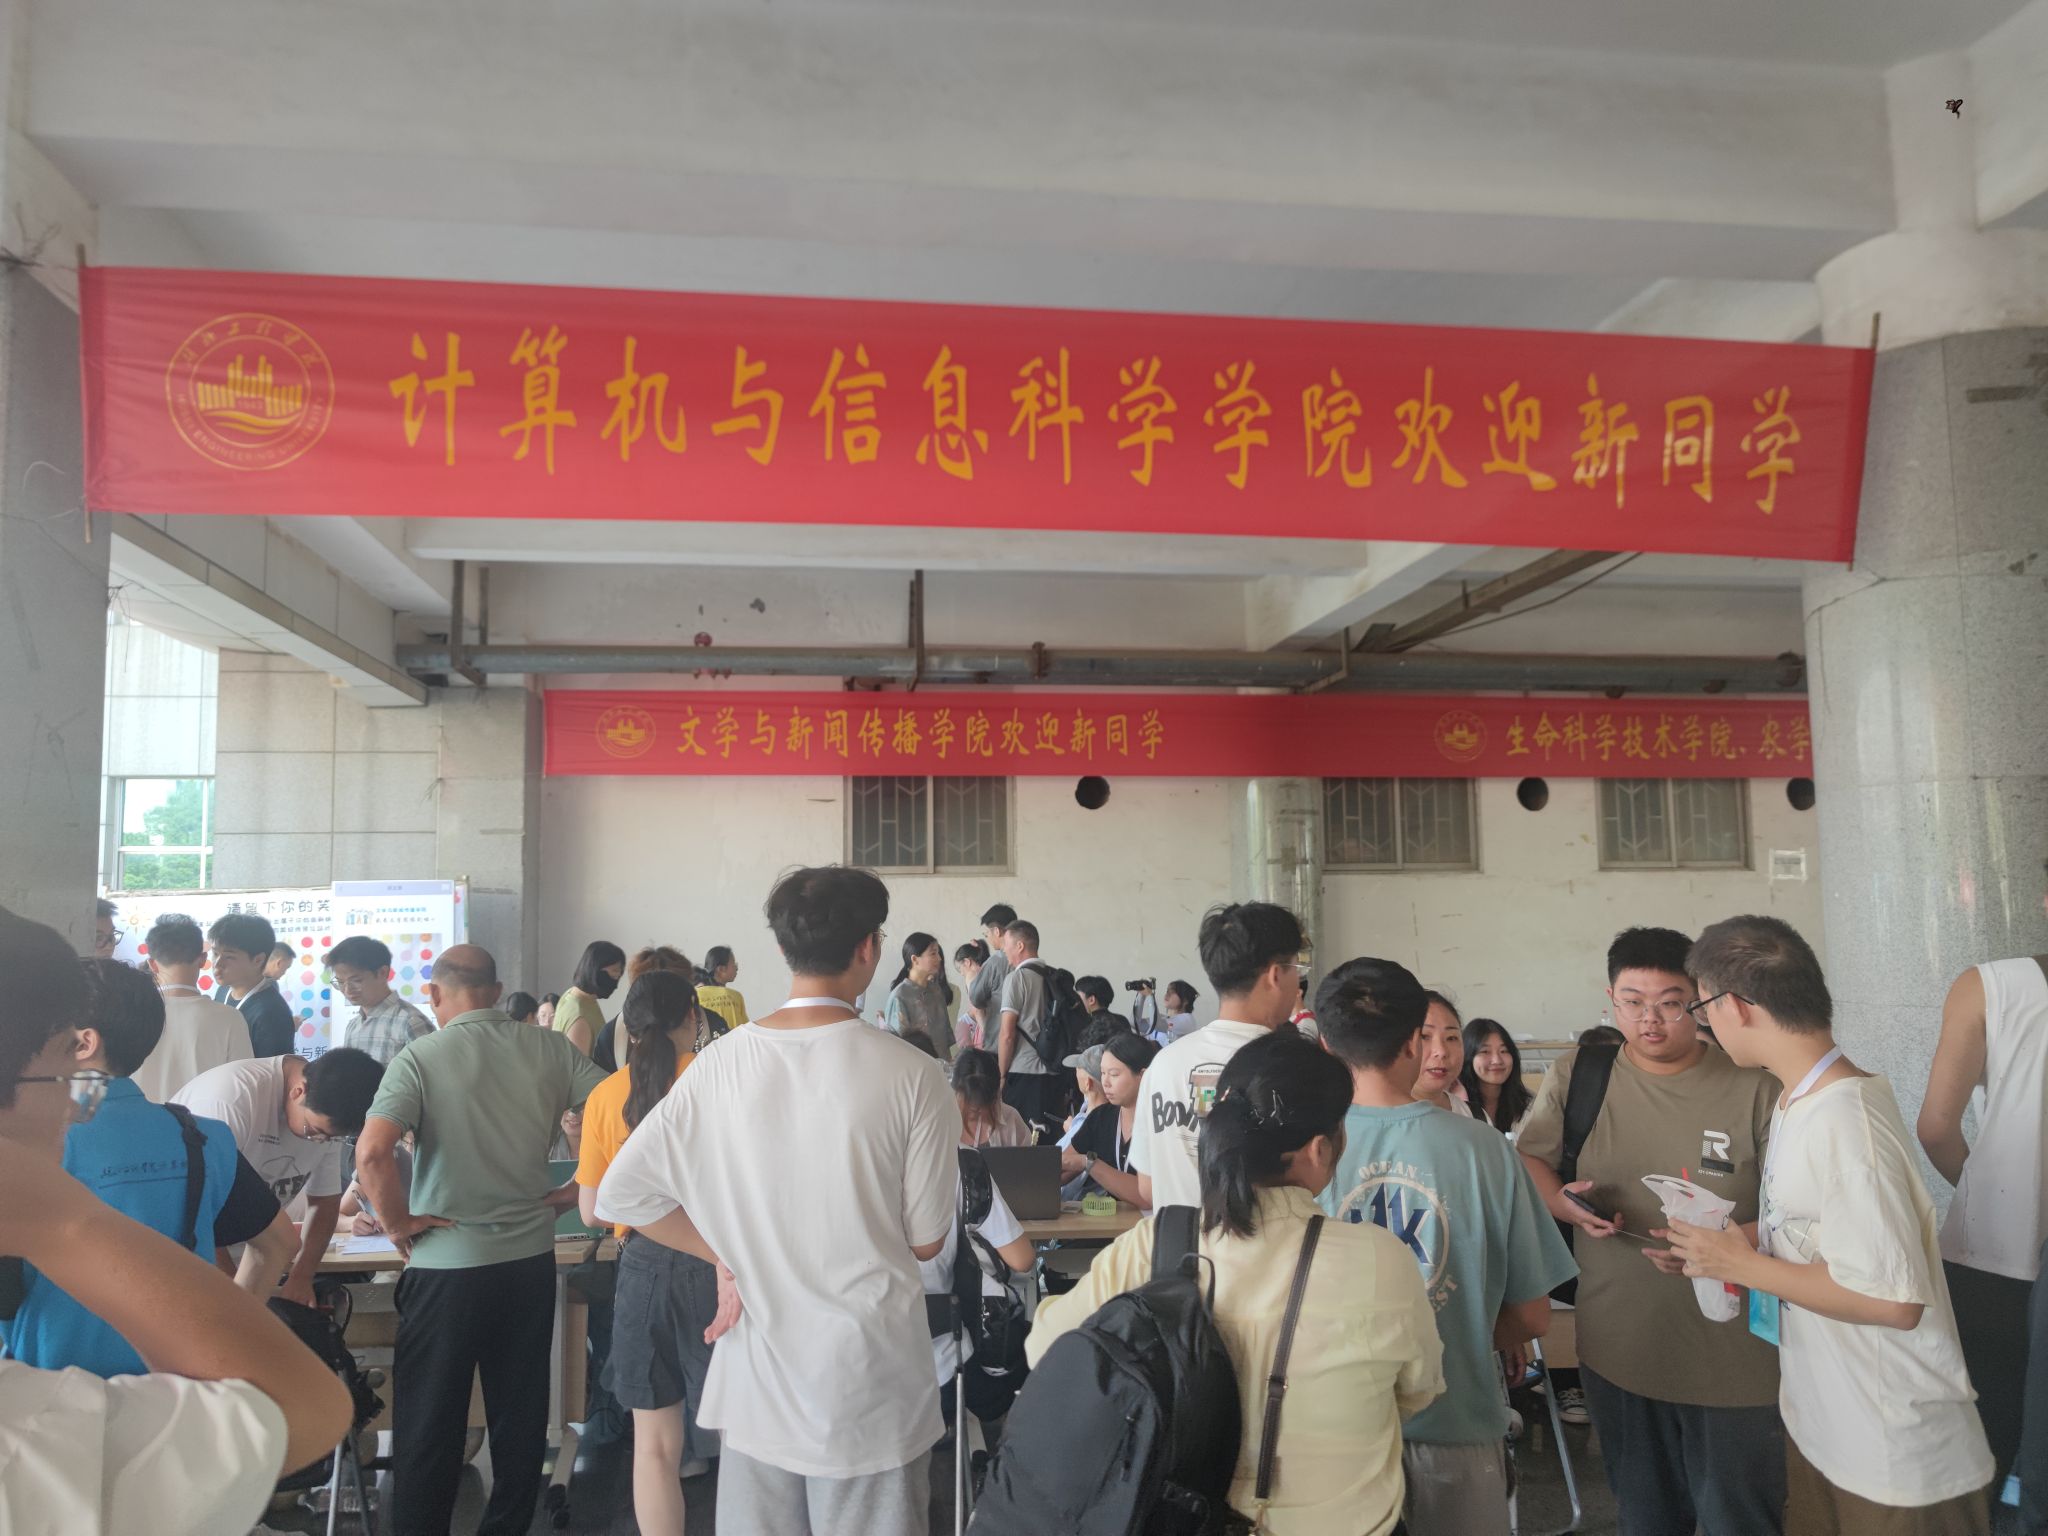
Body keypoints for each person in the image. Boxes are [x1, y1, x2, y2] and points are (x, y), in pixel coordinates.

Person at [595, 866, 962, 1536]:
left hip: (757, 1385)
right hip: (869, 1382)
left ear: (783, 949)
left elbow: (623, 1195)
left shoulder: (720, 1063)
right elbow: (928, 1238)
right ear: (869, 948)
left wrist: (726, 1255)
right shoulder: (916, 1075)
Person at [0, 904, 354, 1536]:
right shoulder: (201, 1134)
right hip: (159, 1409)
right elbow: (299, 1399)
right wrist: (64, 1220)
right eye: (61, 1073)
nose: (75, 1107)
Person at [1032, 1027, 1444, 1535]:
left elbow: (1046, 1350)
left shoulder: (1154, 1246)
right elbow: (1418, 1390)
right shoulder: (1381, 1260)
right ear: (1320, 1149)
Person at [1667, 915, 1995, 1533]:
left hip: (1893, 1452)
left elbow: (1892, 1300)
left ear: (1735, 1006)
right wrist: (1730, 1244)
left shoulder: (1846, 1120)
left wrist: (1740, 1264)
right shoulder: (1798, 1099)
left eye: (1700, 1007)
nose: (1704, 1024)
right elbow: (1817, 1231)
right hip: (1828, 1423)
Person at [1517, 925, 1784, 1532]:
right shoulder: (1581, 1076)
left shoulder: (1756, 1085)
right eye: (1633, 1002)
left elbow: (1798, 1212)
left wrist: (1721, 1248)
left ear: (1702, 1000)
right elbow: (1529, 1159)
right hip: (1621, 1347)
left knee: (1740, 1517)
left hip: (1738, 1359)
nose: (1650, 1020)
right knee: (1646, 1516)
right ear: (1611, 999)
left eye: (1670, 1003)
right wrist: (1562, 1202)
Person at [1317, 957, 1577, 1536]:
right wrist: (1457, 1339)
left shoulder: (1304, 1147)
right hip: (1456, 1422)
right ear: (1415, 1040)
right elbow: (1532, 1315)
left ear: (1327, 1044)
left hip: (1331, 1432)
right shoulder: (1485, 1149)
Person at [355, 943, 608, 1536]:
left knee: (429, 1422)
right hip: (527, 1262)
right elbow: (623, 1111)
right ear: (496, 993)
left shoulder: (421, 1057)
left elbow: (371, 1153)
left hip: (445, 1268)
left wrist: (397, 1223)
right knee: (520, 1417)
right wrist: (577, 1188)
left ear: (434, 994)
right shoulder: (550, 1048)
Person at [5, 957, 299, 1377]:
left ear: (84, 1043)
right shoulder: (202, 1138)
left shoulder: (22, 1148)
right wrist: (222, 1339)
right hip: (174, 1393)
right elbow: (279, 1243)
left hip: (50, 1396)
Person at [576, 968, 719, 1532]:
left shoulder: (605, 1095)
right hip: (719, 1263)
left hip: (641, 1268)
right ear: (694, 1017)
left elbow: (593, 1211)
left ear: (628, 1028)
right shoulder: (719, 1082)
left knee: (655, 1446)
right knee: (743, 1438)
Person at [1919, 949, 2048, 1497]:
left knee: (1984, 1440)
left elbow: (1936, 1129)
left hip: (1998, 1248)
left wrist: (1988, 1196)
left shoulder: (1991, 986)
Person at [173, 1043, 384, 1309]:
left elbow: (324, 1204)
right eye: (314, 1131)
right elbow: (196, 1214)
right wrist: (231, 1296)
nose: (320, 1142)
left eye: (331, 1138)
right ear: (298, 1091)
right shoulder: (230, 1101)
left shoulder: (328, 1115)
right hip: (186, 1250)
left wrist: (302, 1276)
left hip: (254, 1252)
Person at [1130, 902, 1304, 1211]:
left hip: (1177, 1240)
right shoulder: (1292, 1065)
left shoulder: (1164, 1064)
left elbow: (1147, 1187)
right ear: (1276, 974)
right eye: (1297, 970)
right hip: (1267, 1241)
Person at [129, 911, 251, 1102]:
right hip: (203, 1121)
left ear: (152, 964)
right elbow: (243, 1089)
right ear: (202, 959)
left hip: (140, 1119)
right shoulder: (230, 1019)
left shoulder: (130, 1015)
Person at [1059, 1031, 1156, 1206]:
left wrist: (1090, 1164)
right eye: (1103, 1073)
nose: (1105, 1082)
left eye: (1114, 1074)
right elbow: (1062, 1168)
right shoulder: (1101, 1117)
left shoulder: (1161, 1123)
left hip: (1149, 1221)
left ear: (1143, 1076)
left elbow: (1147, 1196)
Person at [996, 919, 1066, 1139]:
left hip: (1024, 1073)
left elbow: (1007, 1034)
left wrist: (1001, 1075)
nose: (1003, 950)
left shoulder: (1017, 979)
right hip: (1056, 1073)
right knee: (1050, 1140)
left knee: (1023, 1141)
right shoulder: (1056, 977)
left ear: (1020, 946)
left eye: (1006, 944)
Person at [328, 935, 434, 1066]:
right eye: (340, 982)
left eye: (356, 980)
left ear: (383, 973)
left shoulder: (411, 1022)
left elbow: (430, 1075)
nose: (347, 989)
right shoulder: (353, 1025)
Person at [207, 912, 298, 1058]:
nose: (217, 964)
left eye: (229, 957)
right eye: (215, 954)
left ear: (258, 960)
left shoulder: (272, 1013)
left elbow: (271, 1071)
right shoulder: (222, 991)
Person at [1461, 1018, 1535, 1138]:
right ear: (1467, 1056)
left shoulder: (1529, 1105)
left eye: (1504, 1051)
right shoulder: (1454, 1104)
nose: (1497, 1060)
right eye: (1485, 1051)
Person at [884, 933, 956, 1056]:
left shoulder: (936, 991)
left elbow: (944, 1039)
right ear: (915, 959)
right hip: (916, 1064)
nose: (939, 958)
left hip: (942, 1064)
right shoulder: (900, 996)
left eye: (938, 953)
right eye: (933, 954)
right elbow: (898, 1047)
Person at [953, 1047, 1036, 1148]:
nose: (975, 1111)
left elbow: (1027, 1157)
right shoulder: (941, 1119)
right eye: (970, 1105)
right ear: (955, 1092)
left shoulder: (1010, 1118)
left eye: (981, 1106)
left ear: (995, 1096)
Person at [558, 939, 626, 1057]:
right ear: (595, 970)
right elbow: (577, 1066)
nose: (617, 977)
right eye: (614, 971)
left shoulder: (577, 997)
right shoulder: (579, 1016)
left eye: (619, 973)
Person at [1414, 991, 1475, 1115]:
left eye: (1451, 1038)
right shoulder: (1377, 1121)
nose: (1441, 1051)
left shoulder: (1475, 1116)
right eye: (1424, 1036)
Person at [967, 902, 1017, 1031]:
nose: (987, 938)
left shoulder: (995, 963)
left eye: (987, 934)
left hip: (1000, 1034)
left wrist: (970, 977)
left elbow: (976, 999)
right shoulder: (1025, 957)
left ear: (996, 931)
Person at [1057, 1041, 1109, 1148]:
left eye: (1078, 1069)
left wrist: (1072, 1131)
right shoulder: (1115, 1118)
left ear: (1088, 1084)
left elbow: (1060, 1157)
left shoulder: (1083, 1128)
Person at [695, 946, 750, 1034]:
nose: (736, 968)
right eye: (733, 964)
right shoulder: (735, 996)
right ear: (721, 969)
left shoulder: (694, 994)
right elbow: (745, 1030)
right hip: (733, 1042)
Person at [954, 940, 990, 1051]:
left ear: (967, 962)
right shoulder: (989, 971)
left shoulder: (971, 977)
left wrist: (987, 1036)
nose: (961, 973)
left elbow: (978, 1010)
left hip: (985, 1027)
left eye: (960, 969)